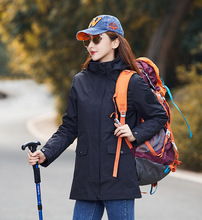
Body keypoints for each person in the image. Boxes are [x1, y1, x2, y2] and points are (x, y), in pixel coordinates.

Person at [28, 15, 168, 220]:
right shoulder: (80, 81)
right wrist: (45, 154)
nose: (90, 45)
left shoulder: (132, 82)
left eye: (96, 39)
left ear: (115, 42)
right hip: (87, 178)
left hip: (119, 178)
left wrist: (134, 133)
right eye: (87, 40)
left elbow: (159, 115)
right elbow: (69, 127)